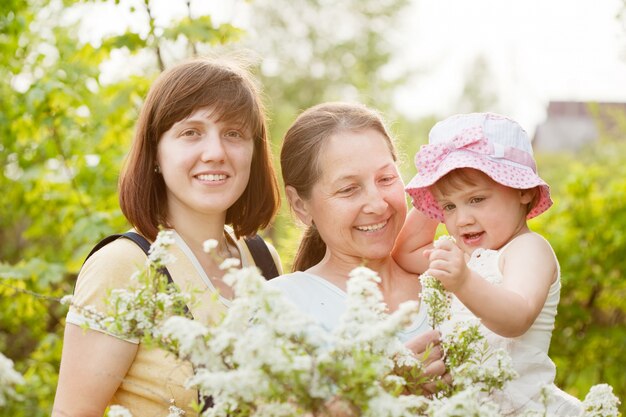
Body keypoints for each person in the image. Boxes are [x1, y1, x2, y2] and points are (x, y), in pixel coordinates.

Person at [52, 57, 282, 416]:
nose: (215, 153)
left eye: (234, 133)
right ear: (156, 152)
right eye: (191, 132)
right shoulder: (125, 265)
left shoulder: (263, 260)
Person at [398, 112, 582, 415]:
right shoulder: (465, 255)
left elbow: (517, 316)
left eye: (476, 200)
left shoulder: (527, 249)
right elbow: (406, 252)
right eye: (449, 208)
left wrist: (464, 282)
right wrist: (438, 184)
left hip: (526, 407)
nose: (462, 219)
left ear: (523, 190)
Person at [268, 102, 445, 393]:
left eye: (386, 179)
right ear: (301, 205)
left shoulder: (449, 277)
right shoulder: (281, 306)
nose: (377, 204)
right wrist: (386, 390)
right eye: (349, 189)